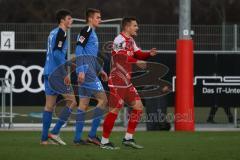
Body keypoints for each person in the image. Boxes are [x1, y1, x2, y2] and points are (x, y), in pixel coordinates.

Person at [100, 17, 157, 149]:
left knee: (138, 107)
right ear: (127, 27)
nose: (137, 28)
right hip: (117, 81)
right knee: (114, 110)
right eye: (135, 25)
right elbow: (120, 56)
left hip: (126, 82)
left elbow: (138, 54)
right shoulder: (119, 40)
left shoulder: (131, 40)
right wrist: (136, 61)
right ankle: (104, 141)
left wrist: (149, 54)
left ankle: (128, 138)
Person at [41, 9, 77, 145]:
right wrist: (64, 73)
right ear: (62, 20)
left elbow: (54, 53)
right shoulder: (62, 33)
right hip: (56, 74)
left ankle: (44, 139)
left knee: (49, 106)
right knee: (72, 102)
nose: (71, 20)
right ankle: (55, 132)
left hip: (48, 72)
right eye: (69, 18)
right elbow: (56, 54)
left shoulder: (52, 32)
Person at [74, 8, 108, 146]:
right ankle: (92, 135)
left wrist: (100, 70)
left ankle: (77, 138)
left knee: (83, 104)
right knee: (103, 100)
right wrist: (81, 70)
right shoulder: (87, 30)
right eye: (98, 17)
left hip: (89, 71)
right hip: (87, 72)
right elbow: (78, 49)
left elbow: (90, 56)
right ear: (90, 18)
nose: (100, 20)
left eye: (100, 17)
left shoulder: (92, 32)